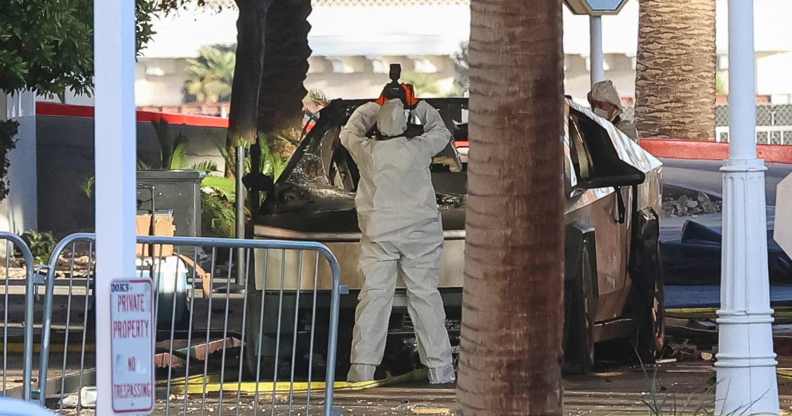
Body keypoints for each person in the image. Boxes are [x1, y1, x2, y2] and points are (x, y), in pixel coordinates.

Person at [339, 96, 455, 385]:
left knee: (374, 298)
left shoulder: (368, 152)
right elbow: (441, 132)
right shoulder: (418, 148)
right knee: (425, 297)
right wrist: (418, 104)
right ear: (405, 125)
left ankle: (361, 370)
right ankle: (440, 372)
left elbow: (348, 133)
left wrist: (373, 106)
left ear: (378, 125)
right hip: (420, 236)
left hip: (380, 234)